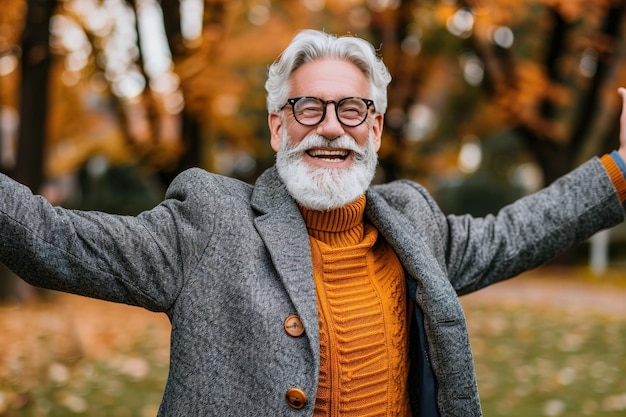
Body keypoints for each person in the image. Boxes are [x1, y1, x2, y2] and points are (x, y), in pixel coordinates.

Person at [1, 29, 626, 417]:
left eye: (352, 108)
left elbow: (517, 230)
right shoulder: (210, 222)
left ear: (375, 128)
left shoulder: (413, 222)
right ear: (279, 125)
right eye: (308, 107)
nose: (331, 126)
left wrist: (621, 168)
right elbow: (54, 241)